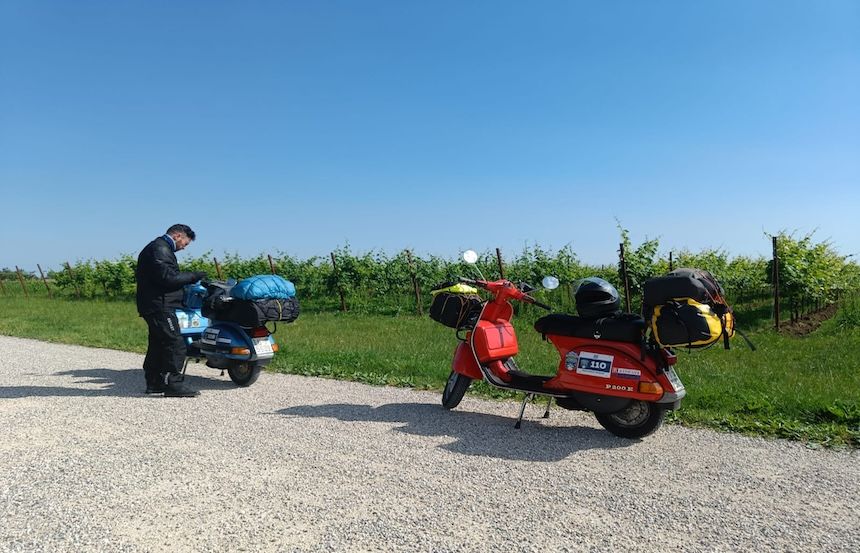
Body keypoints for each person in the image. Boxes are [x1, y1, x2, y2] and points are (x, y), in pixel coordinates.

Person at [136, 224, 207, 397]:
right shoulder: (160, 249)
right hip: (159, 305)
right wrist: (194, 276)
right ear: (177, 236)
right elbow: (168, 278)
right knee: (175, 342)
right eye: (185, 243)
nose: (184, 247)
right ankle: (174, 384)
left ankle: (154, 383)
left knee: (158, 344)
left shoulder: (159, 247)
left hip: (154, 303)